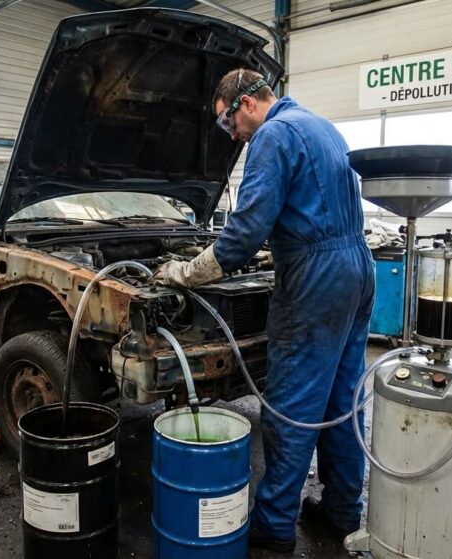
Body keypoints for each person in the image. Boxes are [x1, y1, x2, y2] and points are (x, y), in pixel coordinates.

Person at [152, 68, 375, 552]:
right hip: (357, 269)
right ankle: (342, 511)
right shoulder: (322, 127)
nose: (231, 134)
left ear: (247, 103)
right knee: (342, 400)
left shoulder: (272, 136)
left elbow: (244, 234)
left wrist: (185, 273)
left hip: (316, 279)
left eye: (227, 122)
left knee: (292, 403)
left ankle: (273, 525)